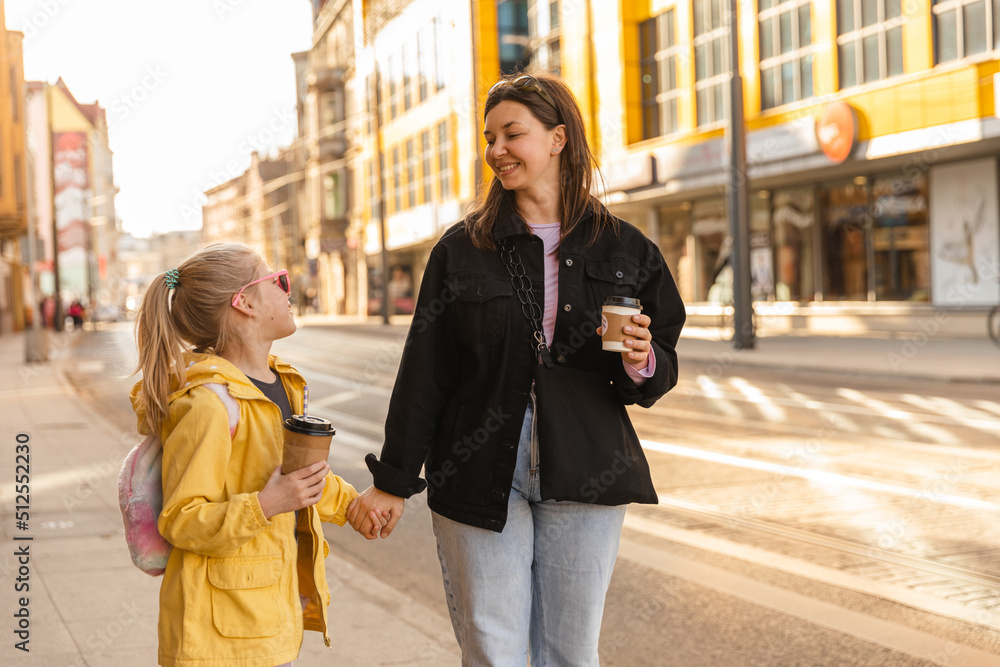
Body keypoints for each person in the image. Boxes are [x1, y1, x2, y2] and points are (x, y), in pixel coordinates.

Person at [346, 72, 686, 665]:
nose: (496, 150)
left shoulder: (625, 249)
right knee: (494, 651)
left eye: (512, 134)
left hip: (586, 467)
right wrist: (394, 480)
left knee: (569, 654)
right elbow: (425, 372)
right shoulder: (461, 249)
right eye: (489, 138)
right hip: (477, 468)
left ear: (558, 139)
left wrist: (642, 360)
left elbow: (661, 363)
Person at [130, 243, 383, 667]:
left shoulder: (282, 384)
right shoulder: (209, 405)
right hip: (215, 636)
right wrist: (267, 504)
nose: (289, 289)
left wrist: (351, 506)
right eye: (277, 280)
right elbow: (182, 519)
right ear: (244, 301)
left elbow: (295, 475)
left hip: (264, 615)